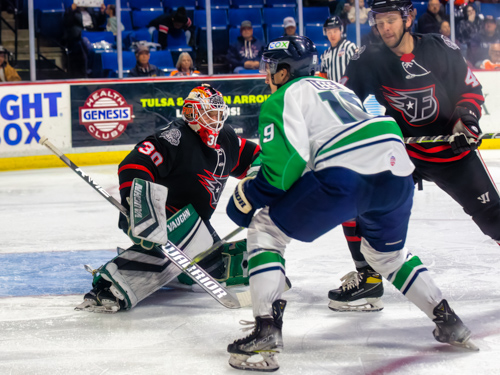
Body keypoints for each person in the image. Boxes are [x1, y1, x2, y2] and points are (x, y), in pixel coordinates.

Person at [224, 35, 477, 372]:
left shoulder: (282, 98)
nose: (267, 74)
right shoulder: (338, 89)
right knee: (386, 256)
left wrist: (247, 198)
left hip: (348, 174)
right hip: (396, 172)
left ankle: (266, 330)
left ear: (285, 71)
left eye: (271, 66)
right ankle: (448, 320)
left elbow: (284, 169)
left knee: (266, 231)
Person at [329, 0, 500, 314]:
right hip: (402, 152)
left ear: (408, 17)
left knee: (494, 218)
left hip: (451, 149)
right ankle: (368, 278)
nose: (385, 28)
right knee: (352, 197)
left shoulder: (439, 48)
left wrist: (467, 120)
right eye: (379, 22)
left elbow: (469, 90)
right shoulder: (368, 59)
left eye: (391, 20)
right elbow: (346, 101)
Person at [76, 84, 261, 313]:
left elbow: (255, 155)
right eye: (210, 114)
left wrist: (256, 172)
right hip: (156, 221)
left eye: (219, 114)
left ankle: (180, 272)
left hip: (197, 225)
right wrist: (141, 211)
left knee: (223, 265)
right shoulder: (174, 137)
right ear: (192, 113)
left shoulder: (227, 139)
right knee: (196, 241)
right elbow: (134, 164)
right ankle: (108, 284)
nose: (216, 120)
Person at [63, 2, 107, 78]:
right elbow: (67, 22)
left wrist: (102, 12)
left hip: (93, 34)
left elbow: (99, 22)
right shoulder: (71, 11)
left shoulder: (91, 11)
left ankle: (99, 72)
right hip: (80, 35)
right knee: (84, 44)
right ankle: (87, 72)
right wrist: (72, 10)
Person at [318, 16, 357, 82]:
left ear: (341, 30)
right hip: (333, 91)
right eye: (329, 32)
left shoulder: (349, 47)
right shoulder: (325, 55)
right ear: (325, 33)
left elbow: (359, 69)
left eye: (335, 31)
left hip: (349, 90)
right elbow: (324, 78)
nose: (332, 35)